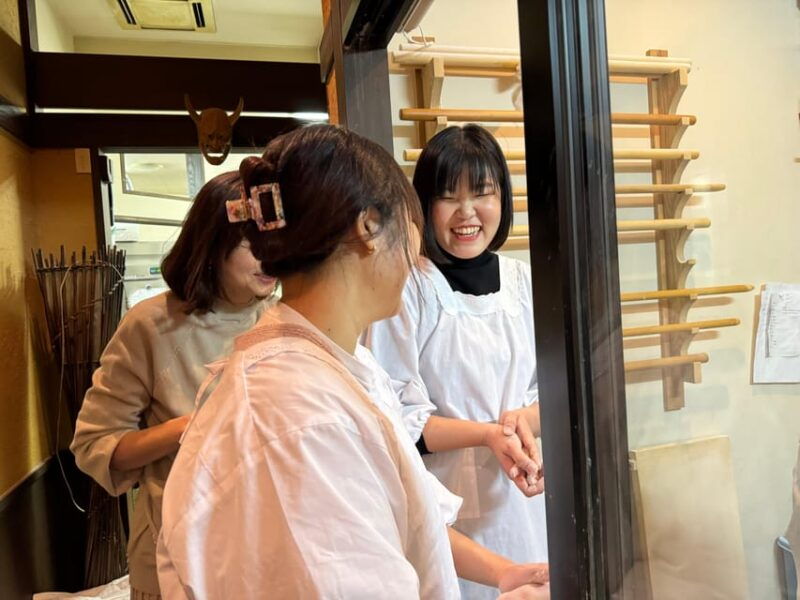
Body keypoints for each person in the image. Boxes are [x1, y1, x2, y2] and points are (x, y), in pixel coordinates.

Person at [156, 124, 549, 599]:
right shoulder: (300, 416)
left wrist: (505, 575)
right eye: (412, 228)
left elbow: (409, 516)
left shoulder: (337, 368)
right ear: (368, 229)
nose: (414, 255)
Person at [71, 171, 276, 600]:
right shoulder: (152, 325)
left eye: (273, 239)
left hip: (263, 553)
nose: (268, 257)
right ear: (212, 244)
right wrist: (191, 426)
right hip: (174, 557)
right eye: (249, 242)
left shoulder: (282, 322)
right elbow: (95, 445)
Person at [364, 124, 547, 598]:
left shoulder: (523, 281)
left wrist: (523, 422)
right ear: (425, 205)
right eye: (449, 197)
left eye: (482, 193)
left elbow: (552, 387)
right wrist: (487, 435)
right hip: (448, 508)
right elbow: (396, 417)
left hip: (527, 498)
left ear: (501, 198)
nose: (467, 213)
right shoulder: (410, 286)